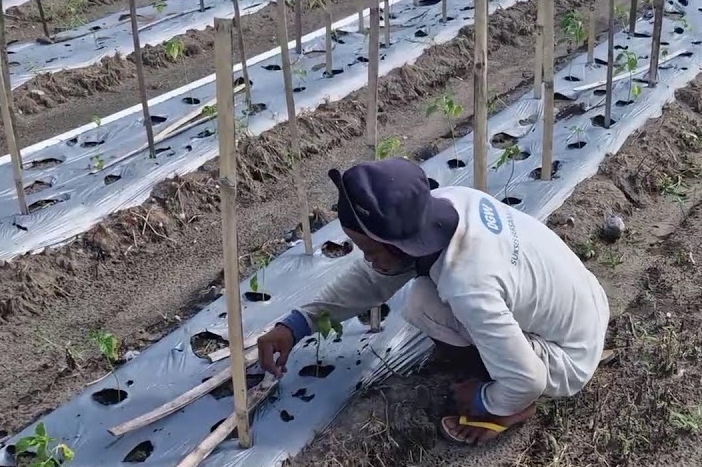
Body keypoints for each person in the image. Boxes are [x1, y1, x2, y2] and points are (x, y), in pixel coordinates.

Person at [256, 158, 610, 445]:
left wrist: (484, 399)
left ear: (398, 247)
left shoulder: (468, 284)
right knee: (427, 295)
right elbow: (372, 279)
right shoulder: (451, 203)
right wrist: (298, 323)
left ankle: (510, 410)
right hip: (589, 302)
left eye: (369, 251)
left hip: (569, 358)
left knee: (422, 304)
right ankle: (496, 367)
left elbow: (529, 379)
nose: (368, 261)